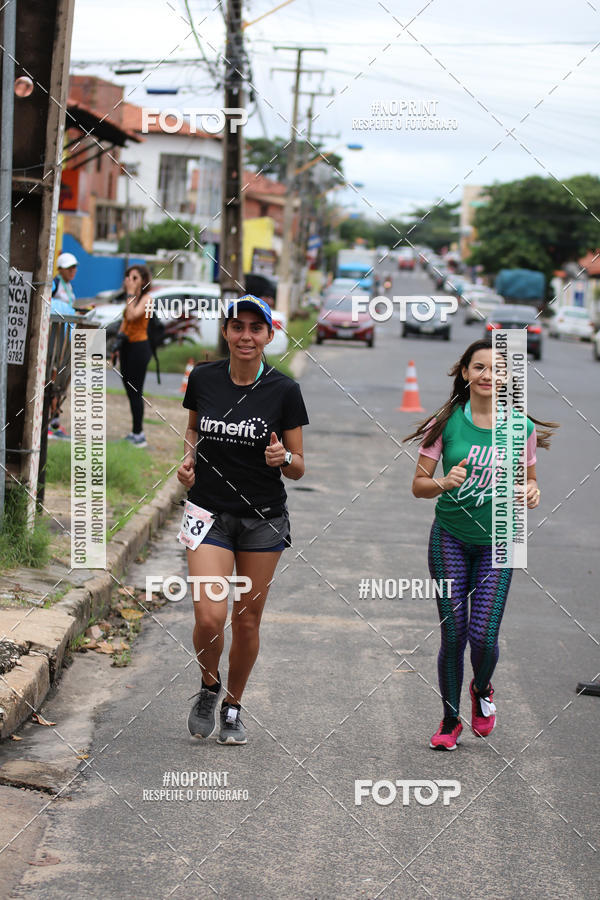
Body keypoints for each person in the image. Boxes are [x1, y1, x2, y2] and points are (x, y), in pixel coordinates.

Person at [404, 339, 557, 751]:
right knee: (454, 636)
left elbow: (530, 480)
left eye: (497, 369)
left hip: (501, 540)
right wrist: (444, 482)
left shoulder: (521, 428)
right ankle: (449, 719)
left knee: (484, 637)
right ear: (465, 372)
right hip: (450, 537)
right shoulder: (446, 423)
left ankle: (482, 688)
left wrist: (532, 490)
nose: (488, 375)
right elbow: (418, 486)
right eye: (479, 367)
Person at [177, 295, 309, 745]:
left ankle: (233, 706)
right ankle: (208, 685)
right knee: (209, 617)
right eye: (238, 327)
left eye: (256, 328)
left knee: (247, 621)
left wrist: (282, 457)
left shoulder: (284, 390)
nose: (246, 336)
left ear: (270, 335)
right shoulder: (203, 378)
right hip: (208, 513)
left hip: (262, 520)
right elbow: (193, 428)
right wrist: (188, 460)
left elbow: (298, 466)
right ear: (226, 332)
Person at [114, 264, 153, 448]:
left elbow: (132, 316)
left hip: (139, 347)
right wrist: (117, 344)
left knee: (136, 391)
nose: (130, 280)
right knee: (129, 391)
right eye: (128, 277)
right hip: (127, 347)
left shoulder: (147, 299)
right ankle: (135, 431)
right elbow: (125, 322)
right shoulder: (132, 298)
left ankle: (140, 435)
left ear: (144, 281)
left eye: (135, 278)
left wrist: (130, 294)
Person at [48, 252, 79, 439]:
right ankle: (50, 421)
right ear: (60, 269)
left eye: (74, 267)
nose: (72, 271)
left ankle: (55, 421)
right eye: (69, 268)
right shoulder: (55, 283)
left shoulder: (69, 286)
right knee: (53, 375)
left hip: (67, 336)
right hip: (55, 337)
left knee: (62, 378)